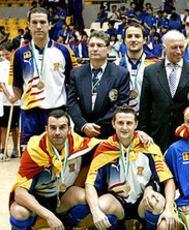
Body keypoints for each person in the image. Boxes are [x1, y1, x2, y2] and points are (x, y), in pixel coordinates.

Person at [8, 109, 99, 230]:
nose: (57, 132)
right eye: (53, 127)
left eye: (62, 127)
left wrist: (138, 136)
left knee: (84, 197)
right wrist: (48, 215)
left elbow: (111, 145)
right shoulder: (34, 149)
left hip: (61, 198)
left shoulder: (78, 143)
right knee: (18, 212)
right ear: (46, 129)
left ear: (69, 129)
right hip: (36, 199)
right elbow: (19, 193)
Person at [85, 105, 174, 230]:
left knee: (157, 202)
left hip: (142, 201)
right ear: (113, 124)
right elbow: (90, 184)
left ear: (136, 125)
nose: (124, 127)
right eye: (120, 123)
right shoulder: (105, 148)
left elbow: (168, 179)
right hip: (117, 201)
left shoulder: (148, 146)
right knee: (100, 204)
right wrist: (95, 211)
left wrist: (169, 207)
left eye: (129, 123)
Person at [10, 7, 77, 151]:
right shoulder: (20, 54)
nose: (38, 26)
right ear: (28, 25)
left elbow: (73, 83)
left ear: (49, 24)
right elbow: (16, 84)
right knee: (30, 160)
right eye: (34, 22)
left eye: (42, 22)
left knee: (58, 158)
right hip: (29, 114)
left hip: (57, 112)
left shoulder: (64, 51)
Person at [139, 30, 189, 152]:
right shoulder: (150, 71)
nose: (178, 51)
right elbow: (145, 106)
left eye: (181, 47)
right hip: (156, 136)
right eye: (174, 47)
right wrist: (143, 132)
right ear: (164, 48)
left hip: (185, 136)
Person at [67, 30, 130, 139]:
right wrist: (83, 124)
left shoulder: (121, 74)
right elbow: (71, 102)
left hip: (108, 133)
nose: (95, 49)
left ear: (108, 49)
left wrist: (97, 126)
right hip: (83, 133)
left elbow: (121, 103)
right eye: (91, 45)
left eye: (99, 45)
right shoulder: (76, 73)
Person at [117, 23, 158, 113]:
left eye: (137, 36)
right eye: (129, 36)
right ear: (124, 40)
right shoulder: (115, 65)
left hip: (149, 116)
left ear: (145, 40)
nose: (133, 39)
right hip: (123, 119)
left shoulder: (156, 65)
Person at [0, 42, 20, 159]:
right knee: (3, 127)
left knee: (15, 127)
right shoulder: (2, 66)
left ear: (13, 51)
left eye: (7, 54)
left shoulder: (19, 64)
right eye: (3, 54)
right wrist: (9, 96)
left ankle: (15, 149)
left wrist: (16, 97)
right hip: (5, 101)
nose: (5, 56)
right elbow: (2, 83)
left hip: (17, 102)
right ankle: (3, 150)